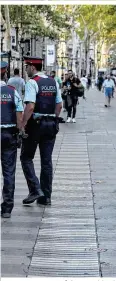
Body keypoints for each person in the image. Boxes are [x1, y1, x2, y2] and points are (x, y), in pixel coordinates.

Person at [20, 56, 63, 206]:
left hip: (35, 125)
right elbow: (59, 105)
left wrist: (23, 124)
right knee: (46, 161)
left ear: (32, 67)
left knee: (26, 157)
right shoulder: (53, 82)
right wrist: (54, 119)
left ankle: (35, 189)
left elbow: (30, 106)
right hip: (50, 124)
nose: (26, 70)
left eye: (26, 67)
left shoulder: (32, 83)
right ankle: (46, 197)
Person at [1, 61, 24, 218]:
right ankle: (7, 208)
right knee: (9, 171)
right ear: (4, 72)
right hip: (8, 134)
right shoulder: (12, 92)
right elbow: (19, 113)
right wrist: (20, 131)